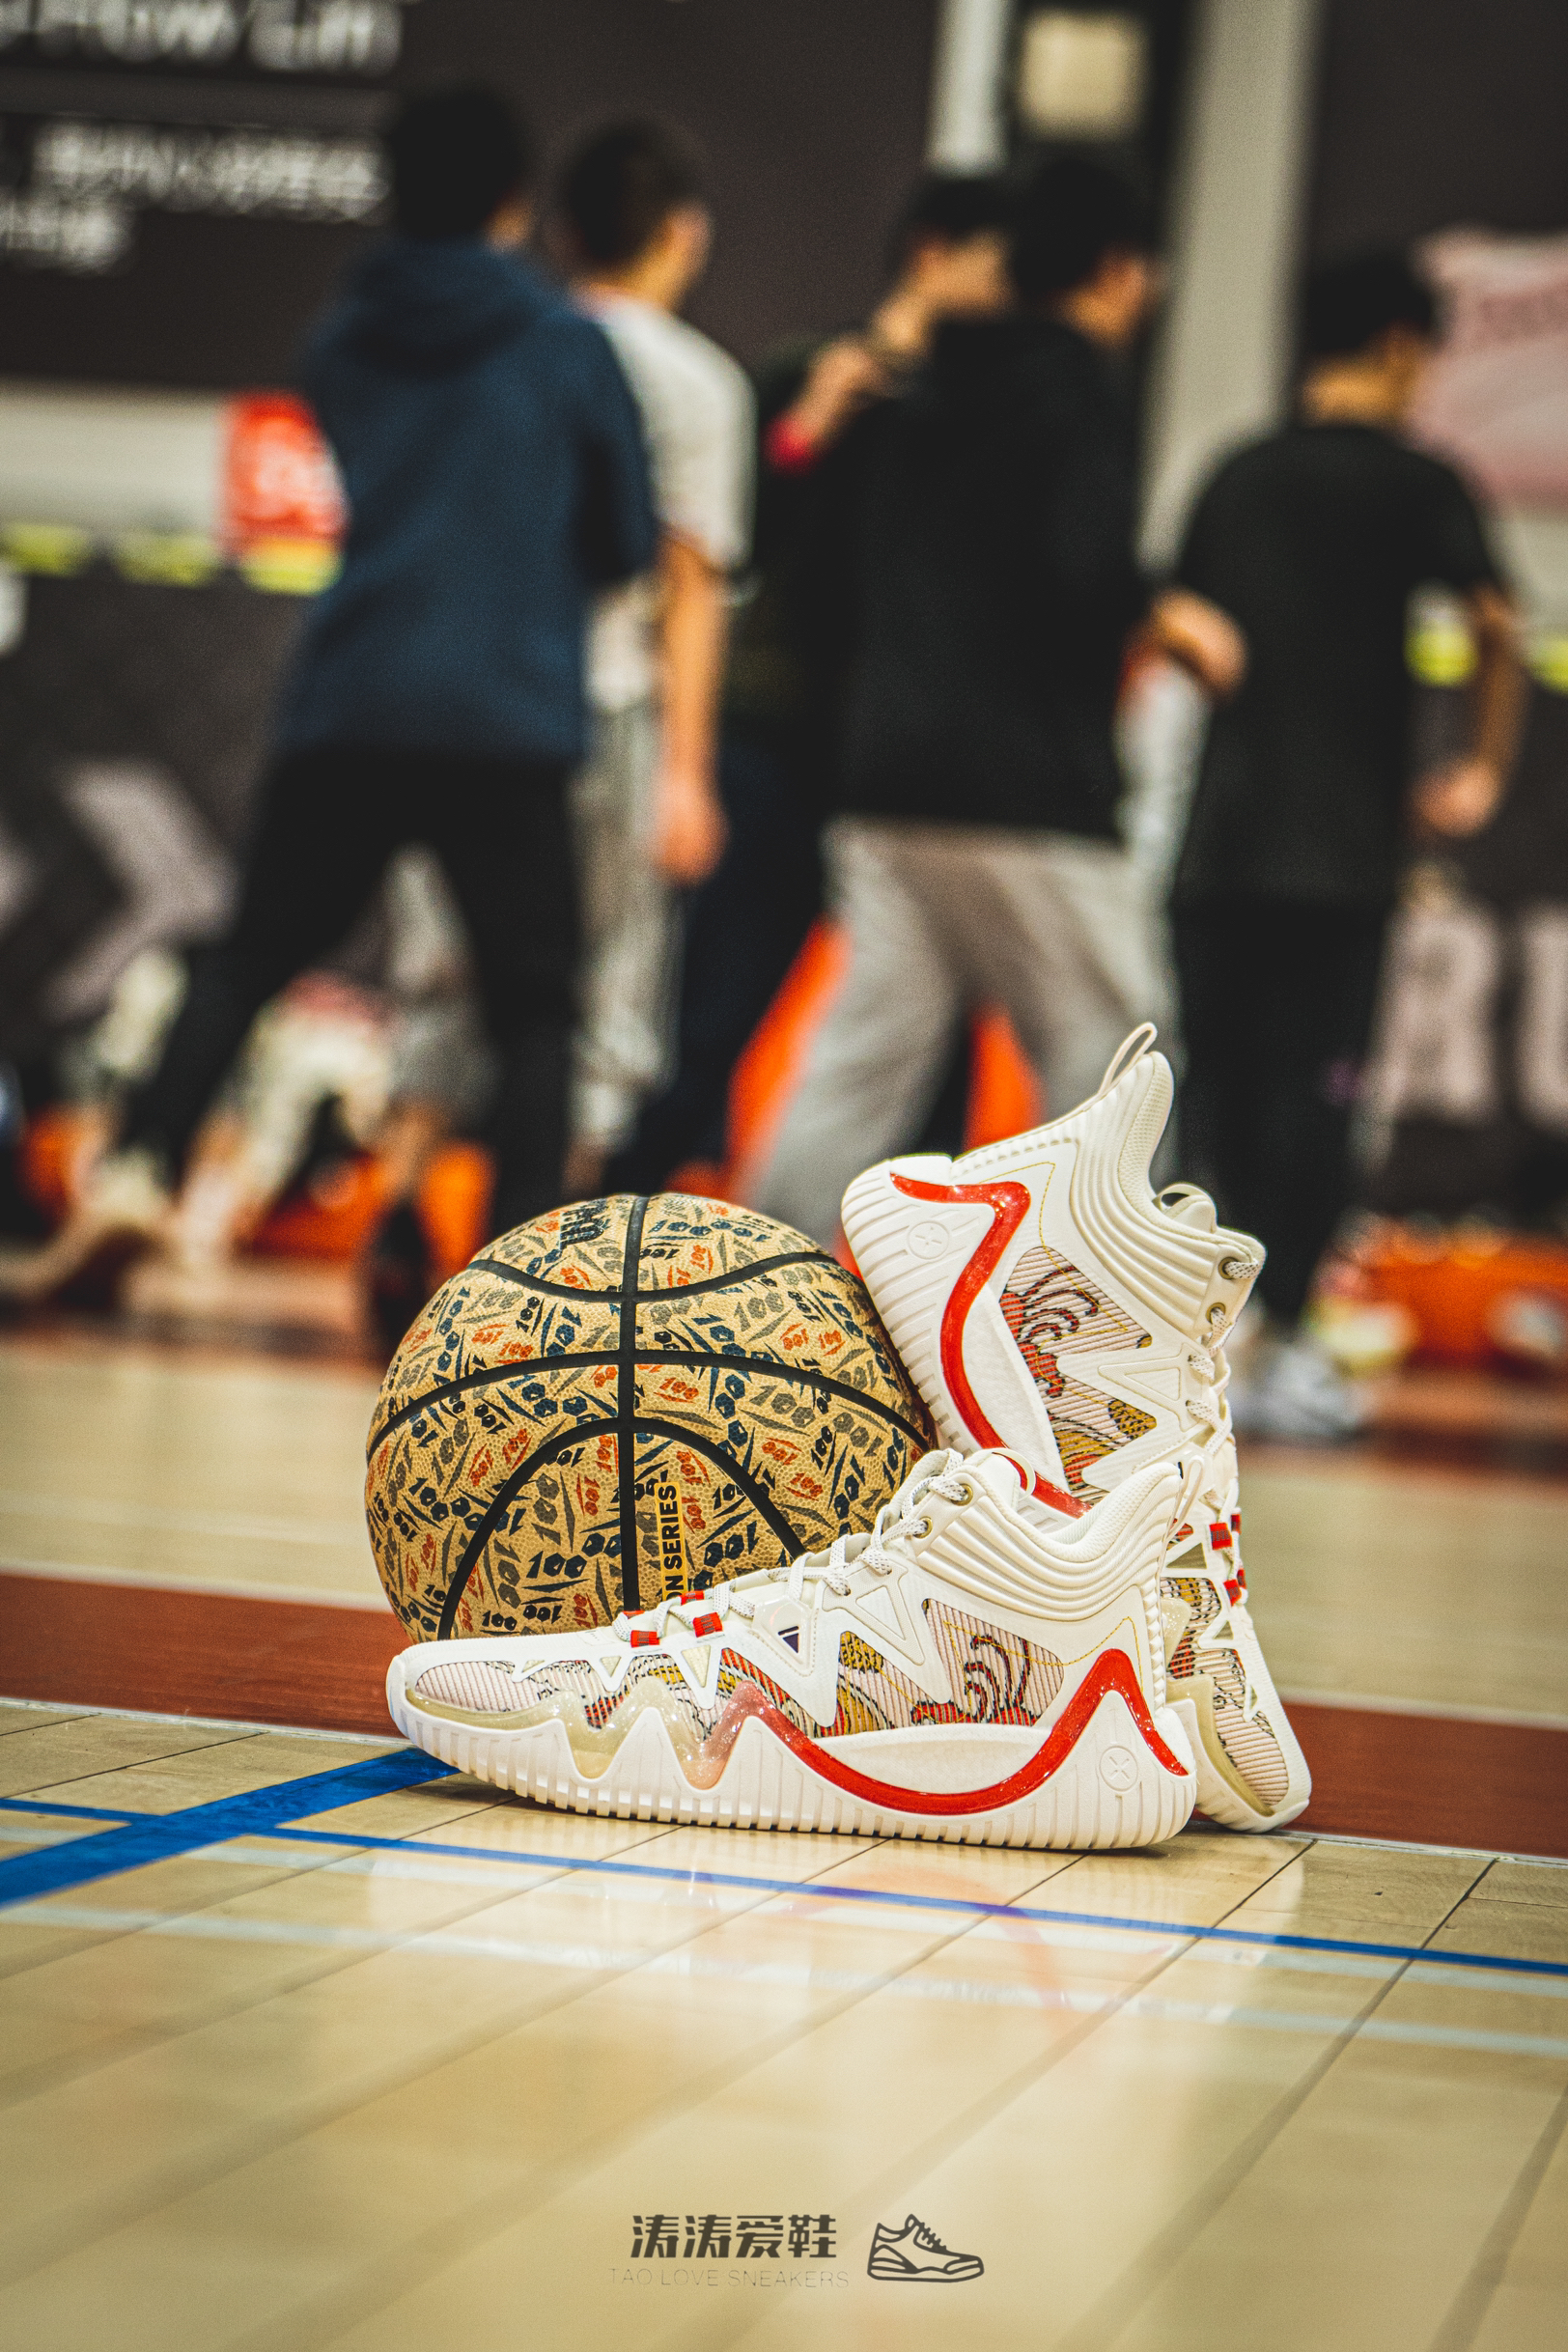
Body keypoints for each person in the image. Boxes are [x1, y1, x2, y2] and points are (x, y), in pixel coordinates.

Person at [2, 83, 657, 1312]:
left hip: (355, 694)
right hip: (505, 715)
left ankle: (137, 1174)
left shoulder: (346, 333)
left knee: (247, 959)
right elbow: (625, 539)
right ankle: (523, 1278)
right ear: (513, 200)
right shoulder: (567, 344)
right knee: (534, 1005)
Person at [751, 156, 1237, 1248]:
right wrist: (1163, 615)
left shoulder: (919, 385)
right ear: (1117, 270)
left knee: (861, 1065)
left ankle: (758, 1284)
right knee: (1121, 1060)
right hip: (1028, 791)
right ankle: (1107, 1306)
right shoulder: (1076, 390)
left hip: (887, 780)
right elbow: (1081, 570)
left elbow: (827, 579)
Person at [1165, 249, 1524, 1441]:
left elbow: (1177, 623)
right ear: (1399, 347)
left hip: (1219, 850)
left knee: (1214, 1095)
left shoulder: (1238, 473)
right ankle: (1283, 1341)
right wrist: (1478, 766)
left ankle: (1197, 1346)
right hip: (1340, 861)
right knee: (1317, 1103)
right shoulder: (1419, 483)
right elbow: (1496, 621)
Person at [606, 172, 1016, 1195]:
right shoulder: (804, 371)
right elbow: (715, 548)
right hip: (775, 744)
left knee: (933, 1056)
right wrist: (811, 426)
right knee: (706, 1025)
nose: (1008, 289)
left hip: (899, 766)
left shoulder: (981, 410)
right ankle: (602, 1241)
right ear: (934, 251)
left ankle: (916, 1277)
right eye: (996, 263)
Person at [555, 119, 754, 1195]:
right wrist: (687, 772)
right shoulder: (695, 382)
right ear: (686, 233)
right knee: (613, 977)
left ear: (561, 231)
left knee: (452, 965)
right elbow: (691, 585)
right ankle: (561, 1238)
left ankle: (404, 1201)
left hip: (497, 705)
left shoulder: (520, 348)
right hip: (616, 702)